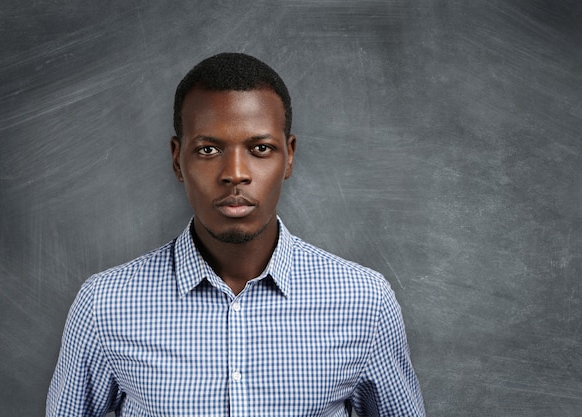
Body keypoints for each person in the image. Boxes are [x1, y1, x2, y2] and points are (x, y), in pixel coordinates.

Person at [47, 52, 425, 417]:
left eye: (260, 148)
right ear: (177, 159)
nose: (235, 173)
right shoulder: (105, 304)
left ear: (289, 156)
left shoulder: (364, 302)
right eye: (209, 149)